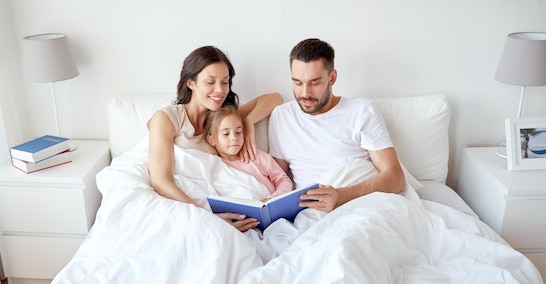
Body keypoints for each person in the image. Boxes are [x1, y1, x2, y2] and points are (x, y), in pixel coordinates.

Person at [148, 45, 283, 231]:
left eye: (225, 82)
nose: (220, 90)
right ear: (191, 83)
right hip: (192, 208)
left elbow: (275, 98)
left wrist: (248, 122)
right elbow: (160, 181)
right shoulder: (167, 118)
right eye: (210, 82)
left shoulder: (221, 120)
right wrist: (209, 217)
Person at [268, 38, 406, 212]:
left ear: (332, 78)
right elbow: (278, 179)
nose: (305, 93)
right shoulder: (282, 116)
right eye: (298, 83)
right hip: (309, 212)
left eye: (315, 82)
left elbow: (396, 178)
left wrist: (341, 196)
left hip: (358, 205)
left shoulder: (361, 111)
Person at [205, 105, 293, 200]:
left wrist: (275, 197)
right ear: (212, 140)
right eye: (226, 134)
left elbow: (284, 180)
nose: (234, 137)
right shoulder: (216, 167)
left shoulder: (258, 157)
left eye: (238, 132)